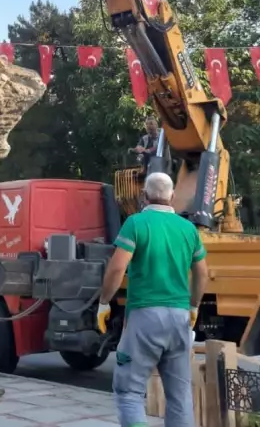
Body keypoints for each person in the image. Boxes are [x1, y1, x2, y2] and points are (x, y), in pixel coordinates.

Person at [97, 173, 209, 427]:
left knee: (130, 392)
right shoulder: (188, 229)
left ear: (144, 196)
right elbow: (203, 273)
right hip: (180, 319)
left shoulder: (136, 224)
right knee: (179, 396)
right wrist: (193, 306)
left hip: (145, 317)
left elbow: (116, 269)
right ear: (172, 196)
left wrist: (104, 302)